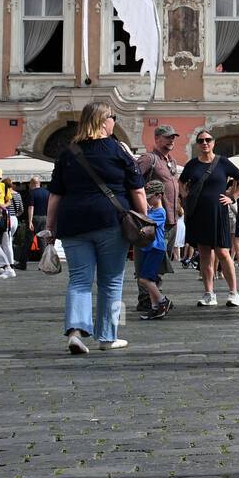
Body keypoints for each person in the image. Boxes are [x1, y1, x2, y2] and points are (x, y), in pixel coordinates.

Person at [46, 101, 148, 353]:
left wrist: (50, 227)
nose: (115, 121)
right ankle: (108, 336)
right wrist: (144, 218)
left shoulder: (69, 152)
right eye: (113, 117)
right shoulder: (118, 150)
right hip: (111, 221)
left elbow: (55, 195)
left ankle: (75, 331)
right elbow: (137, 189)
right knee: (111, 281)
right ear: (104, 121)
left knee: (79, 279)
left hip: (73, 222)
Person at [182, 129, 239, 308]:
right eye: (201, 140)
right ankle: (209, 293)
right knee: (204, 254)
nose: (204, 143)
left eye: (208, 140)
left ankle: (234, 293)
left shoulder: (223, 162)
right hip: (199, 214)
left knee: (223, 253)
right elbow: (181, 182)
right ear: (198, 144)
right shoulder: (192, 165)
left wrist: (232, 198)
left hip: (218, 213)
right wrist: (185, 196)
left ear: (213, 142)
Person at [135, 126, 182, 311]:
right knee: (145, 260)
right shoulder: (148, 159)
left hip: (171, 220)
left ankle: (155, 294)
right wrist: (142, 207)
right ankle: (146, 298)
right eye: (167, 137)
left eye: (173, 137)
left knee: (159, 262)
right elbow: (133, 181)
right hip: (151, 222)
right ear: (157, 139)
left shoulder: (171, 161)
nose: (171, 140)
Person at [138, 180, 172, 319]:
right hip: (148, 248)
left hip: (156, 248)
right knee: (149, 279)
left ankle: (163, 301)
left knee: (144, 279)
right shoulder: (153, 210)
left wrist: (142, 207)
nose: (148, 200)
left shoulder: (160, 212)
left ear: (159, 195)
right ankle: (155, 307)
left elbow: (145, 220)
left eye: (150, 197)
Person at [26, 177, 49, 264]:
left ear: (32, 183)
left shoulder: (32, 193)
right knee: (42, 240)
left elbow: (31, 207)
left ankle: (22, 262)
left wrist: (30, 221)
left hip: (35, 218)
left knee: (28, 239)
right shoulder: (47, 193)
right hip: (45, 217)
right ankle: (43, 262)